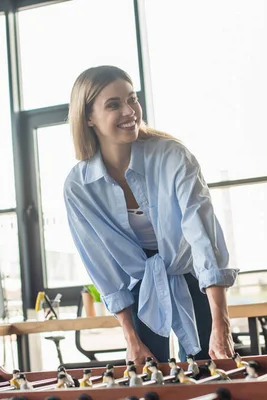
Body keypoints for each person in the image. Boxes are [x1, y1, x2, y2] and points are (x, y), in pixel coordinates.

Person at [64, 65, 238, 363]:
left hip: (192, 275)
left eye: (132, 99)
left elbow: (202, 235)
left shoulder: (172, 156)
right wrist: (129, 337)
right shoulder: (79, 187)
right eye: (114, 104)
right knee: (148, 377)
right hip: (140, 287)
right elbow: (102, 266)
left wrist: (221, 323)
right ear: (88, 117)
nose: (130, 110)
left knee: (209, 367)